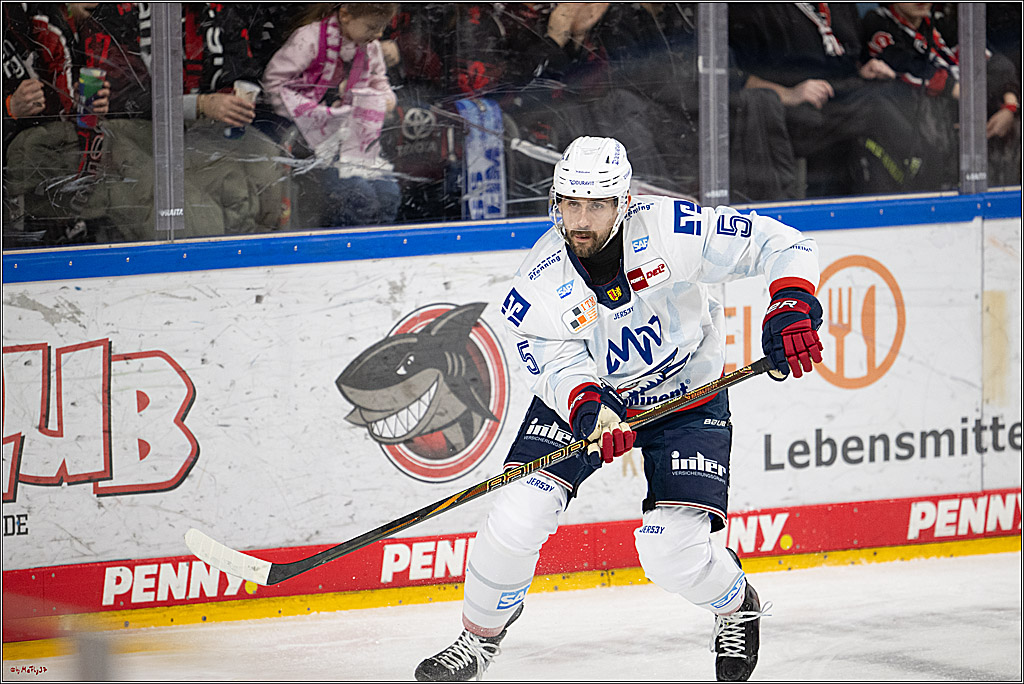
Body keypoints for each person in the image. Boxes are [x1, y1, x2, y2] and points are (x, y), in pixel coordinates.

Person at [414, 136, 824, 682]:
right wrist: (589, 407)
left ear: (624, 200)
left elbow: (786, 244)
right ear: (555, 202)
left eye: (597, 204)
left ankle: (735, 603)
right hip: (595, 402)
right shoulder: (538, 283)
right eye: (570, 203)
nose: (581, 219)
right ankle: (478, 638)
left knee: (667, 551)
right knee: (516, 515)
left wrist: (792, 304)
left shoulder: (673, 231)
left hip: (686, 396)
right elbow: (554, 361)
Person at [728, 3, 926, 197]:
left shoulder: (840, 6)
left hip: (841, 99)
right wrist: (788, 94)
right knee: (877, 107)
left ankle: (918, 185)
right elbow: (732, 77)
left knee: (892, 92)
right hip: (791, 114)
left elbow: (842, 56)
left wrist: (861, 70)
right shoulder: (753, 8)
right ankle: (922, 188)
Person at [262, 2, 400, 229]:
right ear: (345, 15)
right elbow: (274, 84)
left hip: (354, 141)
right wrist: (312, 116)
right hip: (311, 144)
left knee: (388, 195)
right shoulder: (309, 40)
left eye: (382, 27)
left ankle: (378, 254)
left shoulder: (371, 47)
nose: (378, 34)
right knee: (358, 198)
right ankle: (347, 252)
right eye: (372, 27)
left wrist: (385, 100)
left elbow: (379, 82)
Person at [861, 2, 1022, 188]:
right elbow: (905, 65)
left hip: (978, 119)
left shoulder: (939, 23)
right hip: (926, 131)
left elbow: (993, 61)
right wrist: (962, 93)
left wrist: (1009, 106)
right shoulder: (878, 21)